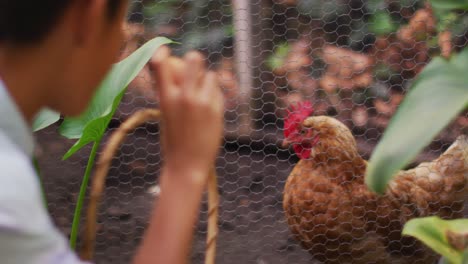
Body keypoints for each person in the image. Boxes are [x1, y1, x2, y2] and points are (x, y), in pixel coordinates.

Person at [0, 1, 224, 264]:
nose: (120, 43)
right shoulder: (8, 188)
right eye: (120, 25)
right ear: (86, 16)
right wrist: (185, 170)